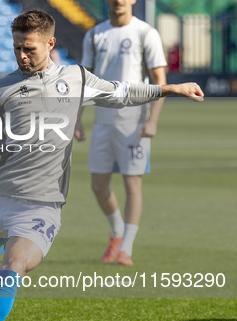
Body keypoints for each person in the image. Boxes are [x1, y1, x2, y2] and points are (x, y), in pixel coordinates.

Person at [0, 9, 203, 321]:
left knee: (14, 266)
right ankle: (4, 242)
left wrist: (170, 88)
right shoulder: (0, 90)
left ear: (51, 44)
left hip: (42, 204)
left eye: (30, 49)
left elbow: (123, 92)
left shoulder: (76, 79)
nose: (22, 56)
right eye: (17, 48)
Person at [74, 0, 168, 266]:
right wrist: (78, 120)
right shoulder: (94, 34)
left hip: (134, 122)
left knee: (131, 183)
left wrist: (152, 119)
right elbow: (84, 80)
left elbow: (159, 81)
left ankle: (126, 247)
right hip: (103, 121)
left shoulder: (145, 33)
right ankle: (117, 231)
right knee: (98, 185)